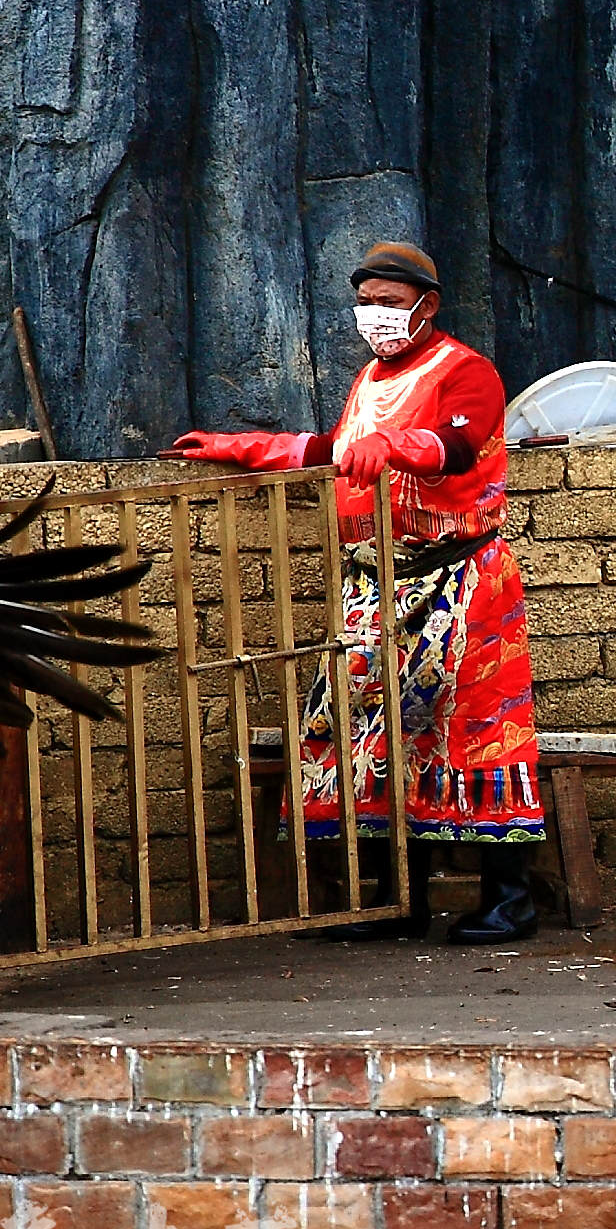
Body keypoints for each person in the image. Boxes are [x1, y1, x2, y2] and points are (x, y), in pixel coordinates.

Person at [169, 243, 545, 942]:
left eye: (390, 304)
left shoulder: (467, 371)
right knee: (364, 733)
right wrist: (245, 448)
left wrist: (401, 446)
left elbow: (457, 446)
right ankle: (394, 899)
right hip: (375, 584)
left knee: (473, 735)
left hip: (459, 579)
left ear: (426, 307)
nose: (375, 315)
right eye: (367, 302)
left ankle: (510, 897)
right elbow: (337, 449)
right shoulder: (370, 377)